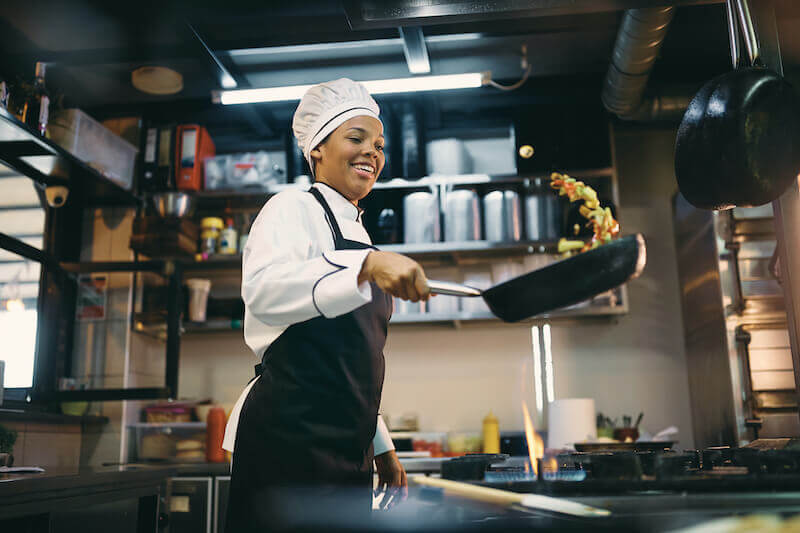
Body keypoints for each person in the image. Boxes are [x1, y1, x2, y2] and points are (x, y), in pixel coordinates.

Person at [223, 78, 431, 532]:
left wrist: (382, 446)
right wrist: (365, 269)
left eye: (378, 145)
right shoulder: (291, 207)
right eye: (355, 139)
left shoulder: (362, 237)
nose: (371, 153)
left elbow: (350, 364)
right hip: (287, 442)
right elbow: (263, 290)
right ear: (317, 148)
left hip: (347, 449)